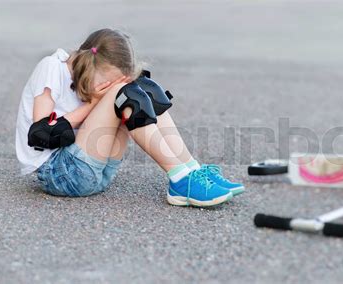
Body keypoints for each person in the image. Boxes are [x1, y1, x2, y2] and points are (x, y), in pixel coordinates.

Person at [15, 28, 244, 207]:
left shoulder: (88, 74)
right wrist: (94, 103)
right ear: (91, 64)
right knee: (125, 95)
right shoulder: (51, 68)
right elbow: (40, 134)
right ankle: (180, 178)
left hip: (97, 172)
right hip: (61, 175)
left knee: (144, 88)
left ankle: (191, 171)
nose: (106, 88)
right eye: (107, 82)